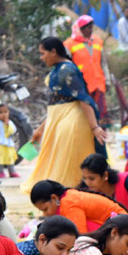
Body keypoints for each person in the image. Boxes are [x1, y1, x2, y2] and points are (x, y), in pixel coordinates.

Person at [26, 37, 109, 191]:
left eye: (43, 53)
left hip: (72, 121)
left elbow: (83, 99)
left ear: (53, 52)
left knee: (68, 162)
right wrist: (41, 128)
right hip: (60, 119)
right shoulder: (58, 70)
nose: (41, 57)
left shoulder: (68, 70)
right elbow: (55, 104)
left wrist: (95, 127)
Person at [65, 16, 108, 121]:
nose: (91, 31)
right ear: (81, 29)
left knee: (101, 116)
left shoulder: (97, 41)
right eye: (88, 28)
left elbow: (103, 63)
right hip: (81, 87)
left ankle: (100, 136)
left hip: (98, 85)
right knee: (84, 117)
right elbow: (66, 67)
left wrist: (108, 80)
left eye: (91, 28)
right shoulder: (69, 44)